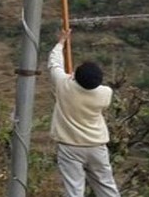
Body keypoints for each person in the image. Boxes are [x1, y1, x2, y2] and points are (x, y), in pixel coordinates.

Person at [47, 28, 121, 197]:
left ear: (75, 76)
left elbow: (54, 64)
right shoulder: (105, 93)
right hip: (96, 145)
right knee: (107, 187)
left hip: (70, 146)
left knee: (74, 190)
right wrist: (74, 78)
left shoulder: (63, 85)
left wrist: (61, 42)